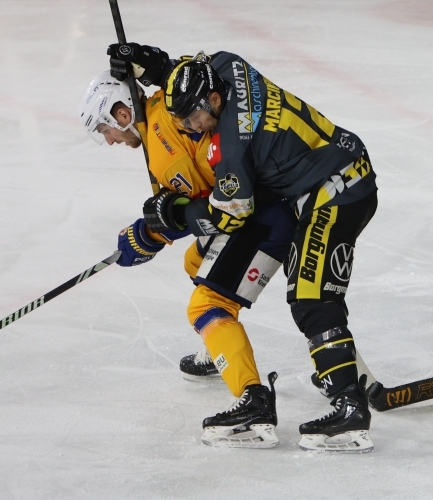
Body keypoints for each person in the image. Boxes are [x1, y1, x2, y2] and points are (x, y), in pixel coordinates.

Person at [107, 43, 378, 452]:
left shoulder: (232, 147)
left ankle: (349, 408)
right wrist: (156, 65)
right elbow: (188, 70)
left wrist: (174, 217)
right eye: (184, 120)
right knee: (204, 262)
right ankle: (335, 377)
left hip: (336, 186)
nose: (192, 128)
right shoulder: (225, 65)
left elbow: (231, 214)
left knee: (310, 295)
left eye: (194, 118)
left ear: (215, 100)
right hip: (328, 172)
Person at [78, 68, 297, 448]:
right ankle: (220, 347)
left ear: (122, 113)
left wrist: (149, 234)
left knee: (206, 306)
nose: (109, 140)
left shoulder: (163, 140)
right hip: (263, 203)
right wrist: (156, 229)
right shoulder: (161, 110)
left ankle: (253, 402)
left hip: (261, 215)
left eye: (105, 130)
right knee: (196, 262)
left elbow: (214, 206)